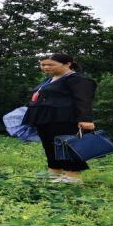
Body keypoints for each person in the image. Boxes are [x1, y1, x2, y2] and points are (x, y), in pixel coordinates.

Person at [21, 53, 97, 183]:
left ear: (68, 64)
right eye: (43, 65)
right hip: (45, 118)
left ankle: (72, 178)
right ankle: (54, 173)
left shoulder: (77, 79)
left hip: (65, 118)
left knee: (67, 146)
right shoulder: (50, 79)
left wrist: (85, 119)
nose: (46, 67)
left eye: (51, 64)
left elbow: (83, 100)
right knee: (49, 146)